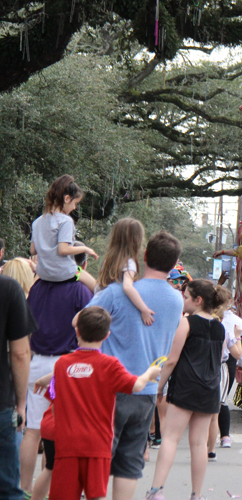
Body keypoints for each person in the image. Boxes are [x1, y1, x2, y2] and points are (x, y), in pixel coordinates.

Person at [86, 230, 183, 500]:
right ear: (173, 264)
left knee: (100, 460)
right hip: (147, 394)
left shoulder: (118, 292)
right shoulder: (176, 300)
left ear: (144, 256)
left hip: (111, 391)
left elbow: (82, 322)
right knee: (129, 466)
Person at [34, 306, 160, 500]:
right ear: (107, 335)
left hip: (67, 443)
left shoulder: (62, 364)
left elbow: (55, 405)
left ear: (77, 331)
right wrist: (149, 373)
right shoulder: (110, 365)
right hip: (98, 444)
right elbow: (136, 385)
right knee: (95, 495)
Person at [22, 175, 98, 497]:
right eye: (76, 202)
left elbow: (34, 249)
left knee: (33, 432)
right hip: (64, 370)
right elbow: (66, 250)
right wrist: (84, 248)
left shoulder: (34, 290)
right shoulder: (80, 292)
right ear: (67, 198)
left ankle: (23, 489)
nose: (75, 207)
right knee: (56, 440)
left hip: (34, 363)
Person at [146, 280, 228, 500]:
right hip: (209, 388)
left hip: (185, 386)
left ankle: (156, 489)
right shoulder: (220, 327)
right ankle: (196, 494)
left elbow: (172, 360)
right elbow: (218, 359)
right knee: (199, 444)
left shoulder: (187, 323)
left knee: (171, 437)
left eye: (186, 297)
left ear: (198, 301)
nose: (183, 300)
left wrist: (159, 386)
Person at [0, 273, 35, 499]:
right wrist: (21, 404)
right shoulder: (8, 289)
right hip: (1, 401)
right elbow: (21, 353)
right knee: (8, 489)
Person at [97, 218, 155, 326]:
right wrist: (144, 309)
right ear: (137, 241)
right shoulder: (129, 263)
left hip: (98, 303)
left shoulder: (107, 260)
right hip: (110, 310)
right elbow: (127, 287)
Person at [207, 288, 242, 461]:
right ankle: (214, 446)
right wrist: (236, 337)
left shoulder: (192, 323)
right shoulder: (226, 330)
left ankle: (198, 443)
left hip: (198, 368)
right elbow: (237, 354)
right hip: (220, 368)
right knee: (217, 408)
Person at [217, 303, 242, 450]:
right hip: (227, 362)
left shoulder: (196, 319)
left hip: (204, 362)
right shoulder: (238, 322)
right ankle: (225, 436)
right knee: (222, 400)